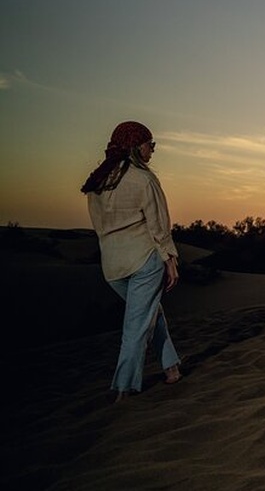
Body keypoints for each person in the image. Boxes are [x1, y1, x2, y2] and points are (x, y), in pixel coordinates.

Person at [81, 121, 183, 402]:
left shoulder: (97, 182)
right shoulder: (144, 179)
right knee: (137, 326)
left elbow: (100, 227)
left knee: (148, 312)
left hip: (112, 267)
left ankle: (171, 368)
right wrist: (170, 259)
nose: (153, 150)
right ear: (136, 146)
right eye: (151, 144)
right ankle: (124, 388)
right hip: (144, 261)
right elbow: (159, 226)